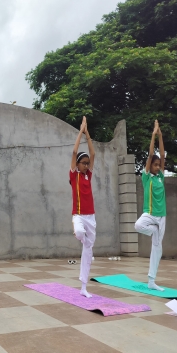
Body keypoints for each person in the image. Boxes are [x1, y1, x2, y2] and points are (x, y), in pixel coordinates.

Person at [134, 120, 166, 291]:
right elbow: (151, 154)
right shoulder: (146, 177)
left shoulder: (160, 177)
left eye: (159, 165)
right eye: (155, 165)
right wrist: (153, 135)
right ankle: (153, 230)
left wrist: (161, 136)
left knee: (157, 248)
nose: (157, 167)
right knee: (138, 225)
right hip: (150, 214)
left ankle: (151, 281)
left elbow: (162, 154)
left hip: (162, 216)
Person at [70, 116, 96, 298]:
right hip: (78, 215)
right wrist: (81, 131)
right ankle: (82, 237)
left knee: (87, 252)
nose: (86, 165)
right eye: (83, 163)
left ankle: (84, 287)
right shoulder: (74, 176)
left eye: (87, 164)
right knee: (79, 233)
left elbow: (93, 155)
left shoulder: (88, 176)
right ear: (78, 164)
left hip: (91, 217)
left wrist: (88, 135)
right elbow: (74, 152)